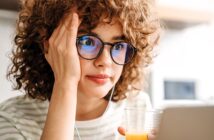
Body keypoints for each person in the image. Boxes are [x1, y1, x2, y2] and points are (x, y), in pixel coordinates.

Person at [0, 0, 160, 139]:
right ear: (49, 43)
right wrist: (65, 83)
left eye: (119, 45)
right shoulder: (12, 119)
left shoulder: (138, 106)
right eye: (88, 42)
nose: (105, 61)